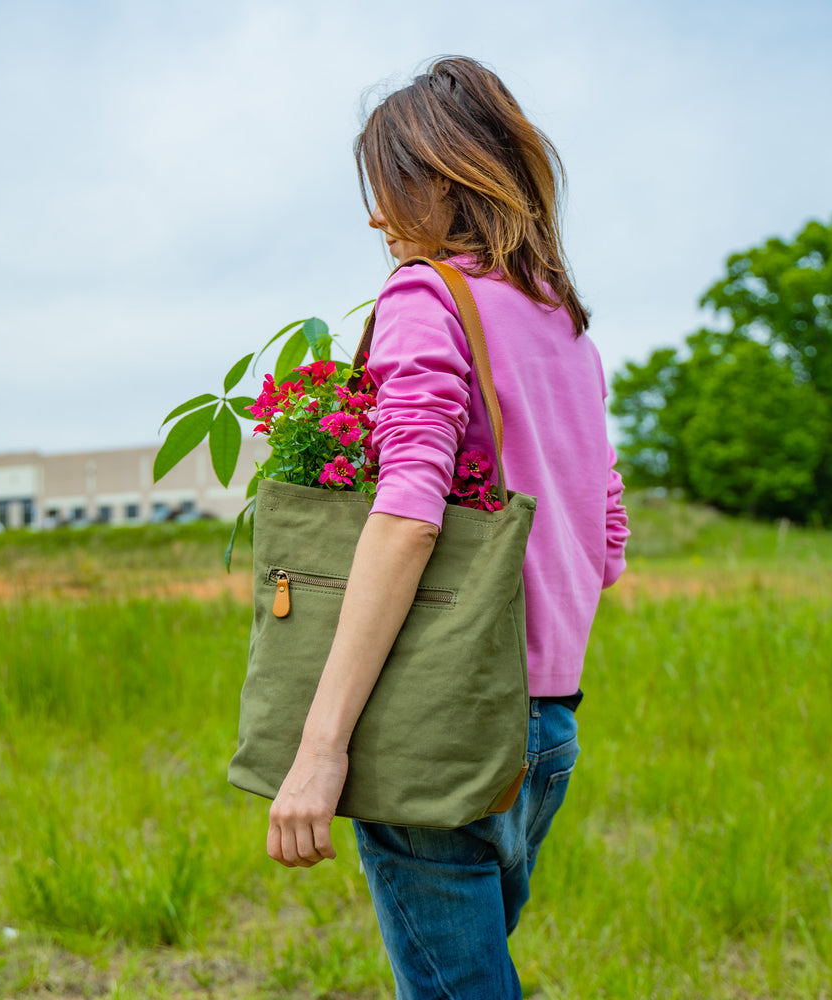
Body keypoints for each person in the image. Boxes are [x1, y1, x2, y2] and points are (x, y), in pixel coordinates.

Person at [266, 56, 629, 999]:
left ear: (441, 180)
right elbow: (609, 544)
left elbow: (405, 516)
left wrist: (320, 746)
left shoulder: (427, 299)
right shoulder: (569, 330)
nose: (378, 217)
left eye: (387, 189)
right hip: (549, 727)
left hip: (441, 722)